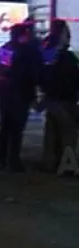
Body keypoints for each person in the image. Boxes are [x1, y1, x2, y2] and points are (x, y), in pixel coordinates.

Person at [0, 23, 38, 172]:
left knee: (5, 128)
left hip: (5, 94)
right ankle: (14, 160)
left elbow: (3, 71)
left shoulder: (5, 49)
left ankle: (1, 159)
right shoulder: (25, 51)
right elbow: (30, 75)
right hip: (20, 94)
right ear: (23, 34)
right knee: (17, 130)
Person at [40, 19, 79, 173]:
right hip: (65, 99)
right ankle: (66, 165)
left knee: (52, 133)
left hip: (52, 98)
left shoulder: (47, 52)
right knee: (68, 133)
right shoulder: (67, 57)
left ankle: (49, 163)